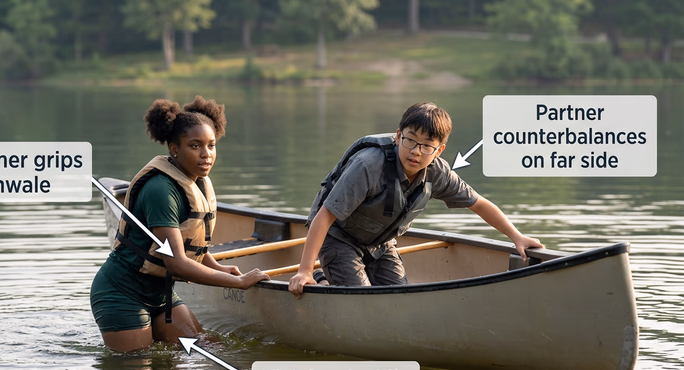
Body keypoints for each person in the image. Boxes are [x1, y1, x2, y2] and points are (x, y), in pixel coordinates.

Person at [289, 102, 544, 298]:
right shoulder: (369, 166)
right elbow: (324, 217)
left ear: (439, 150)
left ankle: (330, 277)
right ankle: (323, 277)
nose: (416, 151)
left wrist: (517, 237)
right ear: (399, 136)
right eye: (410, 140)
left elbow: (479, 204)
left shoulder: (438, 172)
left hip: (380, 243)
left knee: (398, 299)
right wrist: (305, 271)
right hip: (338, 236)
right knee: (362, 299)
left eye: (426, 145)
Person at [91, 96, 270, 352]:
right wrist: (239, 283)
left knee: (205, 348)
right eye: (195, 146)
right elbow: (176, 262)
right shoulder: (160, 191)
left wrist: (218, 268)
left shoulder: (195, 180)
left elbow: (190, 242)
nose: (206, 154)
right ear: (174, 149)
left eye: (211, 145)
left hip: (160, 292)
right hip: (122, 292)